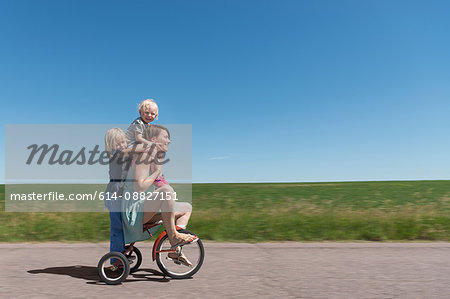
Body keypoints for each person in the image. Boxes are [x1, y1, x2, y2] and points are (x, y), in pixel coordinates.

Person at [122, 124, 195, 266]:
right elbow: (139, 187)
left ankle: (175, 250)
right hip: (133, 211)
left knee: (186, 208)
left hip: (144, 207)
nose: (169, 141)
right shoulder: (144, 156)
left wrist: (169, 194)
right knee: (166, 192)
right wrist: (157, 174)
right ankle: (174, 237)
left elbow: (160, 184)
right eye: (166, 137)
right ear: (154, 140)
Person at [104, 128, 150, 256]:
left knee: (123, 226)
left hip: (120, 194)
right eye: (118, 144)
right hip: (114, 195)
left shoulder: (124, 155)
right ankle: (115, 258)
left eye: (124, 142)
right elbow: (130, 150)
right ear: (111, 146)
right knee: (117, 228)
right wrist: (145, 147)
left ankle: (122, 252)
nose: (122, 146)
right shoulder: (116, 154)